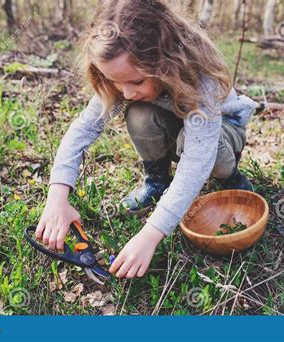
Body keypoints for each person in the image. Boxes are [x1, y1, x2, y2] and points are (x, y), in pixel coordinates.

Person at [35, 0, 258, 279]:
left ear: (164, 63)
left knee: (198, 146)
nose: (126, 93)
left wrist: (151, 235)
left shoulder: (201, 80)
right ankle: (157, 182)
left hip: (223, 129)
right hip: (179, 126)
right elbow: (83, 130)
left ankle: (231, 179)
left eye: (137, 82)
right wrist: (57, 197)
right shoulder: (125, 75)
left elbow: (196, 162)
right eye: (116, 81)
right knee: (139, 113)